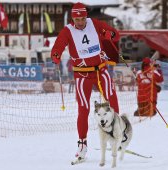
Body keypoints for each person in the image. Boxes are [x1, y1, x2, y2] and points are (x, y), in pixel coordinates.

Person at [51, 2, 120, 160]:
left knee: (111, 97)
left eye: (82, 18)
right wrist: (55, 54)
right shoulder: (67, 31)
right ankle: (82, 144)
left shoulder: (94, 24)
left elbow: (113, 33)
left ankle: (117, 133)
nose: (80, 22)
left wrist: (111, 34)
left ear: (86, 16)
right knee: (83, 107)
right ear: (73, 19)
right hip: (82, 75)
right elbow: (58, 45)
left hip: (100, 70)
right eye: (77, 19)